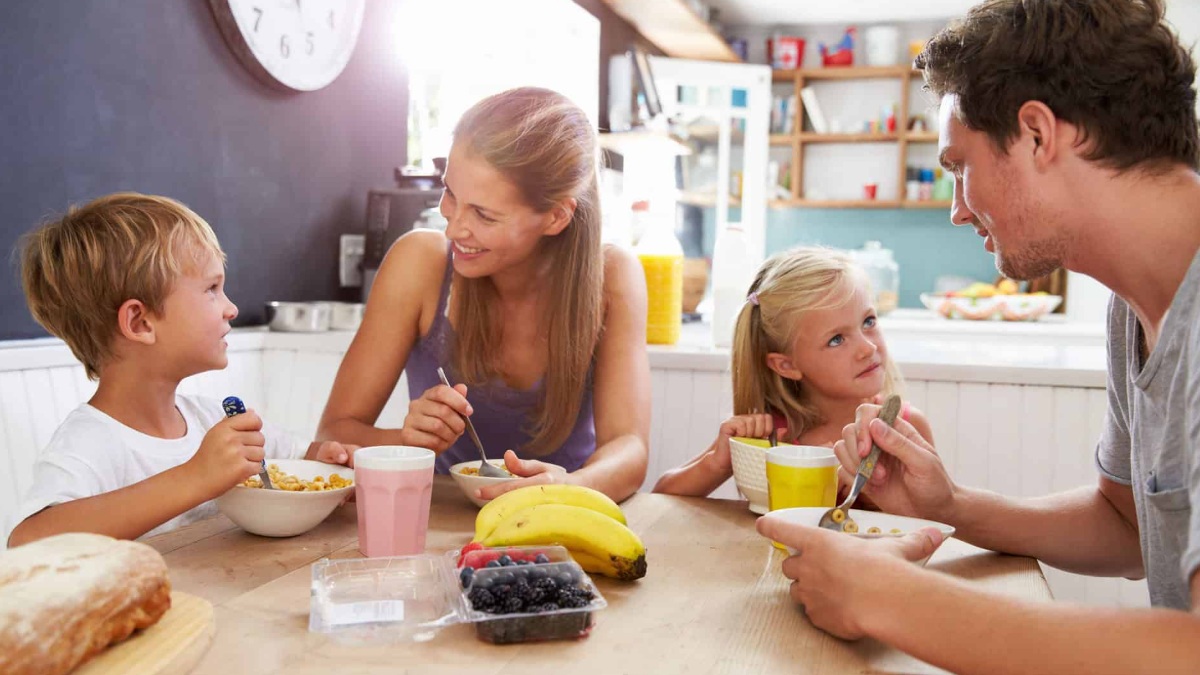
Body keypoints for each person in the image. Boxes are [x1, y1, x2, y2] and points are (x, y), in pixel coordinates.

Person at [757, 1, 1200, 672]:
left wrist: (887, 595)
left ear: (1036, 134)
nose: (959, 208)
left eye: (960, 166)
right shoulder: (1133, 308)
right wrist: (952, 506)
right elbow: (1129, 526)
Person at [316, 87, 650, 502]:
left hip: (564, 517)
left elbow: (630, 450)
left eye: (484, 215)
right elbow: (334, 433)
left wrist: (568, 487)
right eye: (450, 194)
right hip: (433, 520)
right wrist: (406, 440)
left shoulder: (613, 276)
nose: (454, 228)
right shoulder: (420, 264)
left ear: (556, 216)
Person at [8, 193, 353, 547]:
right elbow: (27, 542)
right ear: (140, 322)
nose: (231, 308)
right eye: (211, 289)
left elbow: (299, 458)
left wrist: (327, 459)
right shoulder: (90, 443)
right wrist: (195, 477)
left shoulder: (210, 417)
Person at [654, 247, 933, 497]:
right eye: (836, 339)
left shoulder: (905, 428)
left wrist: (866, 495)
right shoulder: (770, 437)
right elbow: (663, 496)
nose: (867, 347)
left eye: (868, 321)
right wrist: (718, 461)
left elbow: (934, 515)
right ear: (787, 366)